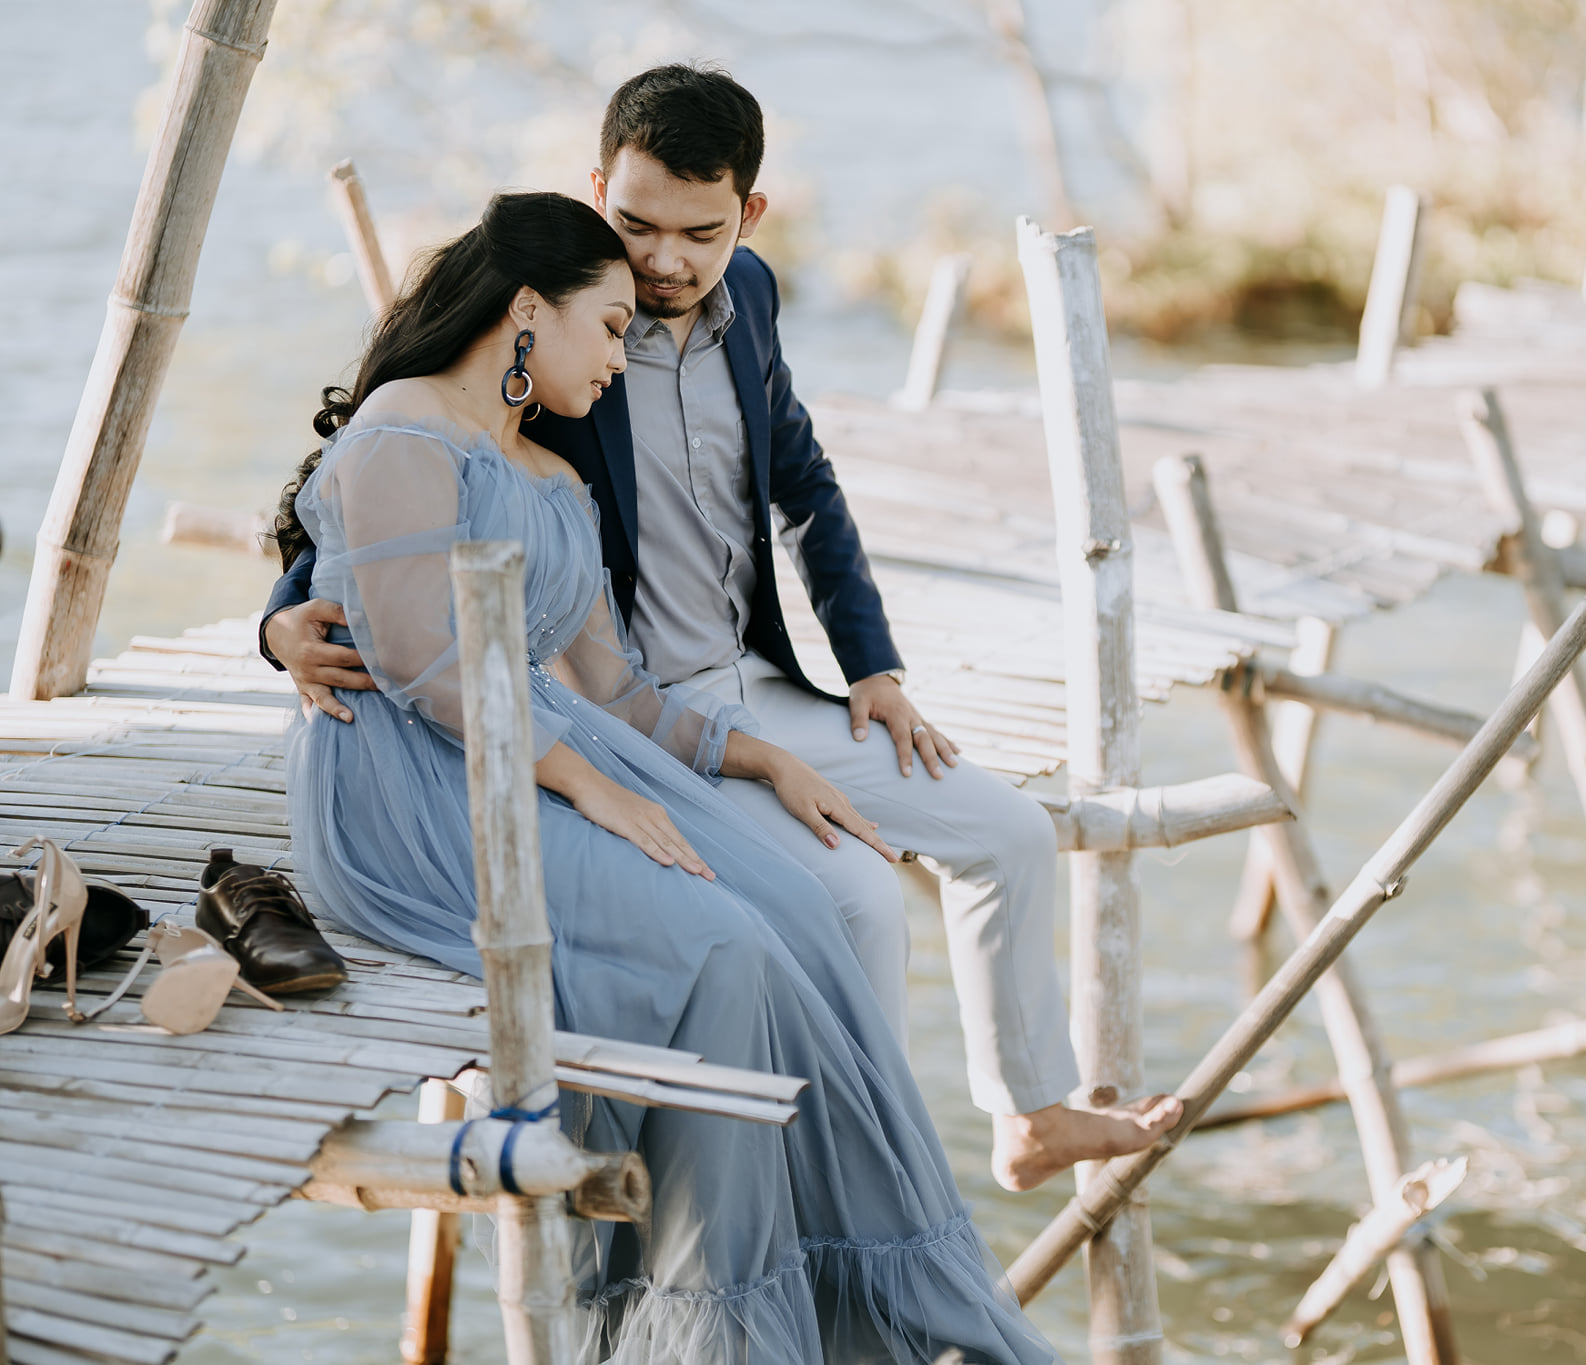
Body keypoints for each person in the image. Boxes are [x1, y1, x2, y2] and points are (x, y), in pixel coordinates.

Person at [262, 62, 1179, 1190]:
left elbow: (803, 481)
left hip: (754, 679)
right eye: (634, 223)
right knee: (857, 901)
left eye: (697, 232)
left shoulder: (751, 302)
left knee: (1010, 834)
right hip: (626, 705)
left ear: (746, 213)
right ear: (597, 187)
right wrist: (278, 626)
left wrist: (872, 665)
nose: (662, 261)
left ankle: (1029, 1113)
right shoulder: (546, 313)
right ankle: (860, 1171)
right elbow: (372, 489)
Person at [279, 189, 1059, 1363]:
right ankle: (707, 1325)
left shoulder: (551, 472)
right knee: (724, 950)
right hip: (419, 779)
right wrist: (589, 787)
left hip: (540, 744)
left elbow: (615, 689)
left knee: (796, 906)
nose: (619, 357)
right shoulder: (400, 430)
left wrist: (763, 758)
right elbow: (413, 655)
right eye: (605, 327)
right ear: (526, 312)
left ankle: (855, 1294)